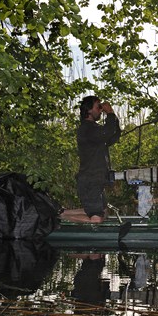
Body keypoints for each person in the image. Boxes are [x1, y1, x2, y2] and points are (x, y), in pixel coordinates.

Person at [60, 95, 121, 223]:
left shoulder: (94, 129)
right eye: (98, 106)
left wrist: (113, 116)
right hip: (90, 180)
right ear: (88, 110)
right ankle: (59, 218)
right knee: (97, 219)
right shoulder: (87, 129)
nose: (100, 109)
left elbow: (113, 136)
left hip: (95, 180)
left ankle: (63, 212)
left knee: (103, 212)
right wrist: (109, 113)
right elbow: (107, 132)